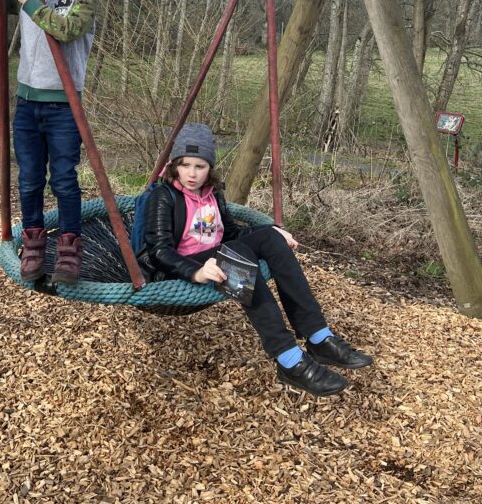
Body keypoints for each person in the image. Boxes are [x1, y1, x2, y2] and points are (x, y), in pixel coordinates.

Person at [142, 123, 373, 397]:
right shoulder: (164, 196)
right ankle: (288, 360)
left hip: (219, 255)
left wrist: (270, 232)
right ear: (175, 165)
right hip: (182, 266)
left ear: (210, 167)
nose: (192, 174)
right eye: (185, 165)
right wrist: (195, 272)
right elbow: (159, 251)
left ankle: (318, 336)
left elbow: (230, 233)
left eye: (200, 166)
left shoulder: (212, 193)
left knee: (271, 239)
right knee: (238, 259)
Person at [0, 0, 98, 284]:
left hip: (65, 107)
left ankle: (69, 248)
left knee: (64, 179)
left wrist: (31, 3)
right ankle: (33, 243)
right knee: (30, 179)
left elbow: (65, 31)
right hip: (28, 106)